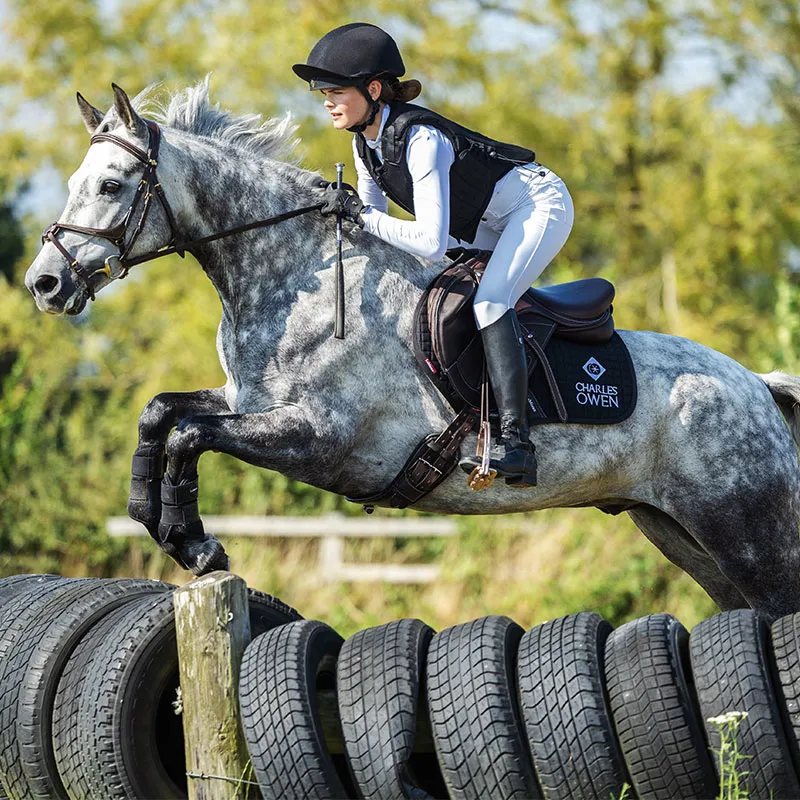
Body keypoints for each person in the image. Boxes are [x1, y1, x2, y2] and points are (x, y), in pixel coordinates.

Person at [293, 22, 574, 488]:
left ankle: (518, 445)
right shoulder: (364, 145)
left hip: (537, 204)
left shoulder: (422, 141)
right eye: (323, 92)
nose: (326, 101)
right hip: (486, 222)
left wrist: (359, 215)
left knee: (489, 302)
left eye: (336, 91)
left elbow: (429, 243)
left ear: (374, 89)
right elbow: (375, 226)